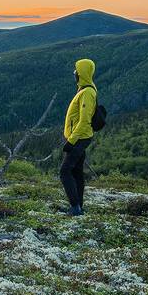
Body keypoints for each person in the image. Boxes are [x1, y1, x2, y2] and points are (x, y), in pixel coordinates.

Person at [59, 57, 97, 215]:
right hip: (80, 137)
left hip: (80, 138)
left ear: (82, 73)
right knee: (76, 172)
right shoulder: (84, 89)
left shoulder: (87, 92)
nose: (74, 73)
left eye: (76, 70)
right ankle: (78, 205)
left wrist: (71, 141)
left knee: (65, 171)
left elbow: (84, 120)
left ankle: (75, 208)